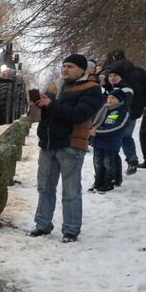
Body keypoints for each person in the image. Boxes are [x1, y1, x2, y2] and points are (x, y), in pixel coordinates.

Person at [30, 55, 103, 243]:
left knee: (70, 191)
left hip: (71, 144)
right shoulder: (55, 86)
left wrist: (51, 104)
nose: (65, 69)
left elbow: (78, 115)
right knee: (44, 188)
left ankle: (71, 230)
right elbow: (47, 114)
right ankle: (42, 225)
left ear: (82, 69)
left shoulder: (92, 89)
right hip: (48, 144)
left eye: (70, 66)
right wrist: (38, 106)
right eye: (63, 65)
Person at [103, 50, 146, 174]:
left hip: (117, 109)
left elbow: (108, 88)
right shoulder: (140, 71)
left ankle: (112, 165)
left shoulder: (112, 71)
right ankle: (131, 158)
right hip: (135, 109)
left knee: (114, 136)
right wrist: (143, 104)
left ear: (113, 58)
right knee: (126, 136)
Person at [88, 84, 131, 192]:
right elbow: (95, 122)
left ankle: (109, 182)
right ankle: (98, 180)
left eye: (113, 98)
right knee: (98, 161)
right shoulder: (104, 109)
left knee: (108, 162)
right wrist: (92, 129)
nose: (110, 99)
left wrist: (96, 131)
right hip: (98, 141)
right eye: (109, 97)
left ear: (120, 100)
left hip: (111, 142)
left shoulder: (122, 111)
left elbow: (117, 127)